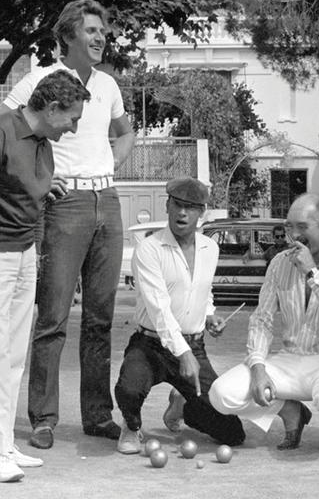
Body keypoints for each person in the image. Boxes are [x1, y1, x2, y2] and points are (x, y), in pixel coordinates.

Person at [0, 0, 135, 449]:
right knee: (52, 317)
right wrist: (41, 177)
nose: (100, 38)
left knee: (100, 318)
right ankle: (43, 417)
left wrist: (107, 167)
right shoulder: (38, 79)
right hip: (63, 205)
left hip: (106, 203)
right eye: (92, 31)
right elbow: (5, 129)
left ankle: (96, 415)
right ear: (68, 36)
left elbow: (126, 133)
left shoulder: (109, 85)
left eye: (103, 32)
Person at [0, 70, 90, 482]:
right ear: (50, 108)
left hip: (23, 251)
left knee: (12, 356)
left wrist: (37, 239)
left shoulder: (43, 143)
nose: (75, 127)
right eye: (72, 118)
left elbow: (31, 199)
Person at [209, 193, 319, 453]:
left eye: (302, 227)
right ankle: (289, 410)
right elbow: (262, 319)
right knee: (221, 394)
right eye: (289, 227)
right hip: (288, 360)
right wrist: (259, 367)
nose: (294, 236)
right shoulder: (279, 264)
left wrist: (312, 273)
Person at [114, 178, 245, 453]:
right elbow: (158, 307)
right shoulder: (149, 249)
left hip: (193, 347)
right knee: (129, 388)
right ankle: (131, 425)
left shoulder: (211, 248)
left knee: (232, 434)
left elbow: (202, 290)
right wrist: (182, 352)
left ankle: (182, 406)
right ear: (167, 205)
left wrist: (209, 315)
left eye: (190, 207)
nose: (182, 213)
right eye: (177, 205)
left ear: (202, 213)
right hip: (150, 345)